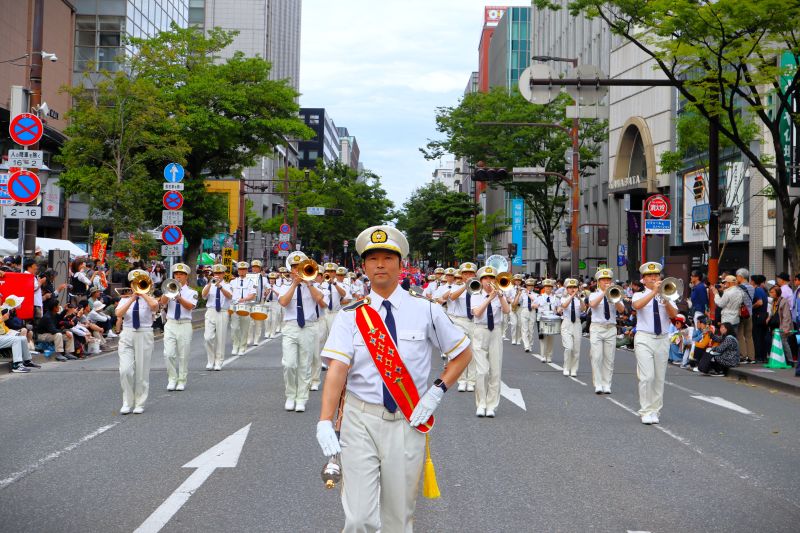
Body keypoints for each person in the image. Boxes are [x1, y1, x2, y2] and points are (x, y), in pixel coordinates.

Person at [316, 225, 472, 533]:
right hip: (360, 420)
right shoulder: (351, 316)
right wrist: (324, 419)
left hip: (407, 419)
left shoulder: (426, 310)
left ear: (401, 264)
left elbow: (462, 352)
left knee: (397, 519)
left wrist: (436, 393)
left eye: (388, 257)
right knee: (359, 518)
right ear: (363, 266)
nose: (380, 265)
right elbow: (337, 370)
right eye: (372, 259)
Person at [631, 262, 679, 425]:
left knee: (659, 377)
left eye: (656, 275)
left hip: (662, 339)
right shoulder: (639, 294)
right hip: (644, 338)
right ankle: (645, 410)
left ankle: (655, 410)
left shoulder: (668, 294)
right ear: (643, 280)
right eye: (650, 276)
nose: (653, 278)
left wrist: (665, 300)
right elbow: (637, 306)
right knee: (647, 377)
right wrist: (654, 292)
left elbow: (674, 315)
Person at [277, 251, 325, 412]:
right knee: (289, 364)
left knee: (305, 364)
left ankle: (301, 398)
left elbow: (319, 299)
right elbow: (283, 302)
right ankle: (291, 395)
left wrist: (308, 283)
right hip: (291, 326)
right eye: (294, 268)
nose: (297, 270)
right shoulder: (283, 286)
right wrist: (294, 285)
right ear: (290, 270)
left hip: (309, 327)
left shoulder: (314, 285)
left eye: (300, 267)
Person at [115, 272, 159, 414]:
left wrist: (143, 294)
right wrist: (132, 299)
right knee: (125, 370)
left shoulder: (149, 298)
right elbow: (119, 314)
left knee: (142, 371)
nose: (137, 285)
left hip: (144, 333)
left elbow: (154, 306)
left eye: (140, 282)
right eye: (134, 282)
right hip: (127, 333)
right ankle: (127, 402)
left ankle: (140, 402)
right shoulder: (124, 300)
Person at [471, 265, 510, 417]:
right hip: (480, 331)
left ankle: (491, 405)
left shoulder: (500, 295)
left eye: (492, 278)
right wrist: (489, 298)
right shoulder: (475, 294)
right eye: (486, 278)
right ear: (481, 281)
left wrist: (500, 296)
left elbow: (506, 311)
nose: (489, 281)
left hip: (496, 332)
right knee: (482, 371)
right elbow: (477, 312)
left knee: (495, 370)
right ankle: (481, 403)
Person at [160, 263, 197, 391]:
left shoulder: (192, 292)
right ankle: (172, 379)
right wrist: (168, 291)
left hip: (184, 324)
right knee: (168, 354)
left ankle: (181, 380)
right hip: (170, 323)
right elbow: (162, 303)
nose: (178, 276)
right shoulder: (170, 288)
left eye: (181, 274)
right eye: (176, 274)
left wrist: (179, 297)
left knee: (183, 354)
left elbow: (190, 306)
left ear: (186, 276)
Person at [588, 268, 625, 394]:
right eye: (603, 280)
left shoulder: (615, 293)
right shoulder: (593, 294)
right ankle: (598, 383)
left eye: (608, 280)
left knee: (609, 358)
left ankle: (607, 384)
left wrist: (615, 298)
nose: (606, 282)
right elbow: (592, 305)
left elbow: (621, 310)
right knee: (597, 356)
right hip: (597, 328)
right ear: (598, 282)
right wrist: (604, 293)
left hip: (610, 328)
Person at [448, 262, 478, 391]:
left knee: (473, 352)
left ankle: (471, 381)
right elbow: (453, 297)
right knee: (461, 352)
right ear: (461, 275)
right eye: (465, 274)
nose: (468, 276)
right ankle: (461, 380)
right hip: (460, 321)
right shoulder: (456, 286)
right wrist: (466, 286)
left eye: (470, 273)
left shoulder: (479, 287)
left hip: (474, 321)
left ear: (475, 274)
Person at [201, 264, 233, 371]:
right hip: (211, 311)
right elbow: (204, 296)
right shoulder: (209, 284)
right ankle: (210, 360)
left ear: (224, 274)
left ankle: (219, 361)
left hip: (222, 312)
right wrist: (210, 285)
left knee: (220, 337)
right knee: (208, 337)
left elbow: (230, 296)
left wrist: (221, 287)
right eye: (216, 273)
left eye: (220, 273)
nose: (217, 275)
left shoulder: (228, 285)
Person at [559, 278, 586, 377]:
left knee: (576, 349)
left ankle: (574, 369)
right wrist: (572, 296)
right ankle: (566, 367)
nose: (572, 289)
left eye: (574, 287)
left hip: (577, 324)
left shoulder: (579, 299)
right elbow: (564, 306)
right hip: (567, 323)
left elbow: (584, 309)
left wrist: (579, 298)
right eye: (570, 287)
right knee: (568, 347)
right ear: (566, 288)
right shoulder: (564, 298)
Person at [1, 306, 39, 373]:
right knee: (16, 340)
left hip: (3, 335)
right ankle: (16, 365)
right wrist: (2, 319)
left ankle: (27, 361)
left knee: (22, 338)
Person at [229, 261, 256, 356]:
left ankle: (242, 346)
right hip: (235, 307)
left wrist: (243, 299)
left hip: (246, 306)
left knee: (245, 328)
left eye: (244, 269)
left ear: (246, 271)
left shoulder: (250, 282)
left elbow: (252, 295)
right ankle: (235, 345)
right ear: (238, 270)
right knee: (235, 328)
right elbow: (229, 294)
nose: (242, 271)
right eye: (240, 269)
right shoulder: (232, 282)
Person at [533, 279, 558, 363]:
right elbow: (533, 305)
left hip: (552, 319)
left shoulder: (555, 298)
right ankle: (543, 355)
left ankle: (549, 356)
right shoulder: (540, 297)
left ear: (552, 288)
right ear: (544, 288)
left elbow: (558, 307)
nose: (548, 289)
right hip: (542, 319)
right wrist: (538, 305)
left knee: (551, 338)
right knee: (543, 338)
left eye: (550, 287)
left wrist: (558, 310)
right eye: (547, 287)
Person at [767, 283, 793, 364]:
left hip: (782, 325)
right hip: (775, 326)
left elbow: (786, 316)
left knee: (784, 342)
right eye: (770, 292)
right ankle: (779, 359)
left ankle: (790, 360)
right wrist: (768, 318)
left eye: (772, 292)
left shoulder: (783, 302)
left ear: (777, 293)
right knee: (774, 342)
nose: (770, 294)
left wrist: (785, 328)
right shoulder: (773, 301)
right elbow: (772, 312)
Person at [735, 268, 755, 363]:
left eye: (737, 276)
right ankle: (751, 357)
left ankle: (743, 356)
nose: (736, 278)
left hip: (741, 314)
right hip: (750, 314)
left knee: (740, 335)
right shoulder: (752, 287)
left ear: (740, 277)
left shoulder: (738, 288)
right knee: (749, 336)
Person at [246, 260, 268, 346]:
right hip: (249, 301)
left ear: (260, 269)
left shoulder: (264, 279)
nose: (255, 269)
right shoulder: (248, 277)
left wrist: (266, 291)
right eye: (253, 267)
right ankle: (249, 338)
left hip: (259, 301)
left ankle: (256, 339)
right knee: (249, 321)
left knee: (258, 321)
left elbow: (267, 288)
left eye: (257, 267)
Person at [518, 278, 536, 353]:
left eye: (531, 285)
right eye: (528, 285)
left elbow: (535, 301)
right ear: (526, 286)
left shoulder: (536, 294)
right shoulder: (522, 294)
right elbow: (518, 302)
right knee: (524, 329)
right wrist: (518, 293)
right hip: (524, 310)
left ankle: (530, 344)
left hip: (532, 311)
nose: (530, 287)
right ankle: (526, 346)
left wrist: (528, 294)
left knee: (531, 330)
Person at [264, 271, 281, 339]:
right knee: (267, 319)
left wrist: (273, 290)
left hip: (275, 302)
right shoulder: (266, 286)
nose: (271, 280)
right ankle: (267, 332)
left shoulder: (277, 286)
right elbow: (264, 296)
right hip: (267, 302)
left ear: (275, 279)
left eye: (273, 278)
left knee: (274, 319)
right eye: (270, 278)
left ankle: (272, 333)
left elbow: (279, 295)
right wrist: (266, 292)